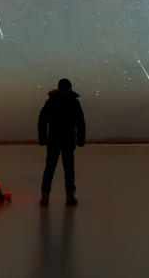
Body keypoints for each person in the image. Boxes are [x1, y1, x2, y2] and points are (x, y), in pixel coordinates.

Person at [38, 77, 86, 206]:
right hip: (68, 140)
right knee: (68, 168)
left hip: (53, 140)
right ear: (69, 88)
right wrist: (80, 140)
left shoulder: (51, 101)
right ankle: (70, 197)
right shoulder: (74, 102)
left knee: (49, 168)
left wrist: (43, 139)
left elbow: (42, 120)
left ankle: (44, 197)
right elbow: (80, 122)